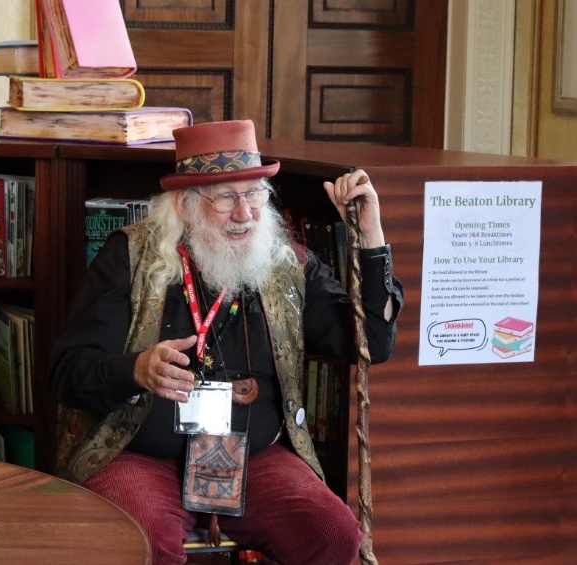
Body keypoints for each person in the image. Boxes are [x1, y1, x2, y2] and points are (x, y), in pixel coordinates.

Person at [49, 119, 404, 565]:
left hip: (255, 458)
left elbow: (371, 344)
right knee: (141, 543)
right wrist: (136, 369)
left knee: (332, 535)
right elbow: (66, 370)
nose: (245, 213)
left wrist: (370, 236)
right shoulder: (129, 258)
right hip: (139, 454)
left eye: (255, 193)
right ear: (184, 203)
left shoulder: (287, 264)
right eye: (226, 198)